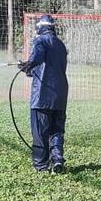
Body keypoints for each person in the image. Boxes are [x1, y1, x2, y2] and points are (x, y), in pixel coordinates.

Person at [18, 14, 69, 173]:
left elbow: (38, 57)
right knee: (56, 130)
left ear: (40, 27)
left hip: (42, 97)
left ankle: (41, 166)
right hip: (60, 96)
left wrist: (29, 64)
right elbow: (49, 68)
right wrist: (29, 69)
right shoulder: (61, 45)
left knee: (40, 132)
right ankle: (57, 160)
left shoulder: (40, 41)